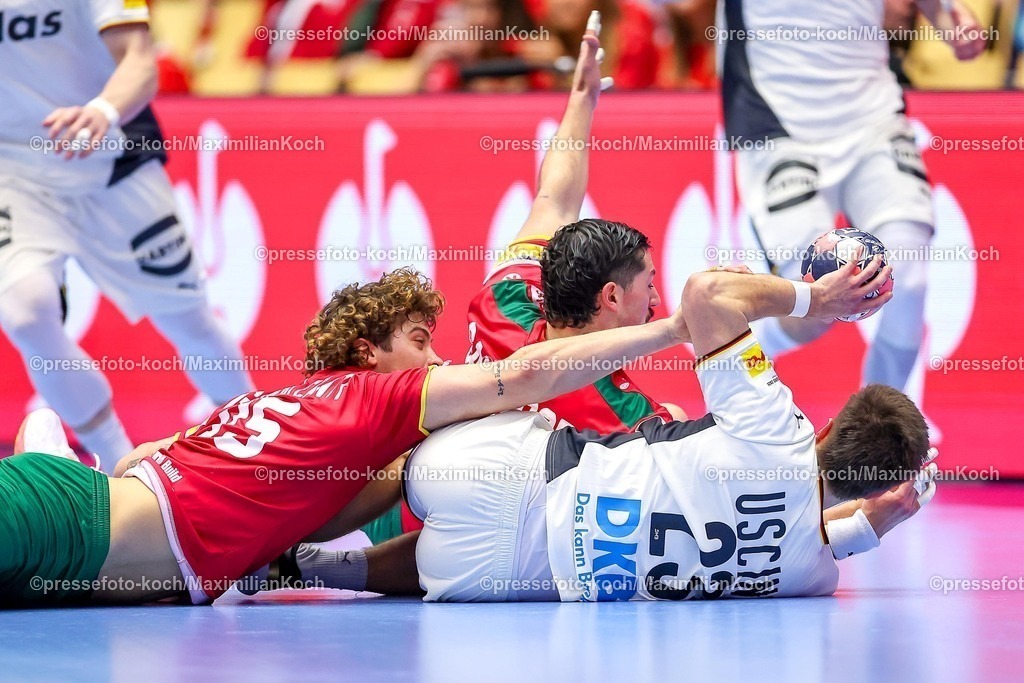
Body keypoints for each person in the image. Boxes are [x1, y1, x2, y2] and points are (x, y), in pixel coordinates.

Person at [0, 265, 699, 607]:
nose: (437, 360)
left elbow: (339, 503)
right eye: (422, 341)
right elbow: (521, 375)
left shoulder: (292, 407)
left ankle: (56, 447)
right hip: (63, 524)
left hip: (77, 533)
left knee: (50, 448)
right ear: (367, 352)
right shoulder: (378, 397)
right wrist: (670, 330)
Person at [406, 260, 932, 602]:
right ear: (876, 486)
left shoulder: (776, 429)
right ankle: (346, 569)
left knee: (423, 447)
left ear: (830, 426)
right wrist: (871, 523)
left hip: (494, 473)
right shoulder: (810, 579)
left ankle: (330, 534)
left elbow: (708, 294)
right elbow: (807, 532)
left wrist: (813, 300)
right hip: (491, 581)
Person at [0, 0, 253, 468]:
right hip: (15, 174)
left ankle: (262, 447)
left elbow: (140, 60)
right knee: (25, 312)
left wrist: (103, 109)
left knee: (188, 320)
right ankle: (119, 464)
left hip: (112, 162)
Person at [720, 0, 986, 397]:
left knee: (907, 278)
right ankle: (729, 358)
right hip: (777, 121)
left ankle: (882, 439)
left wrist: (949, 17)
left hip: (872, 114)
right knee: (813, 304)